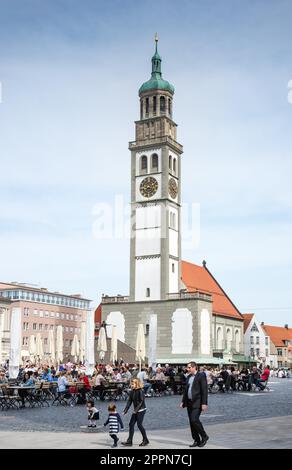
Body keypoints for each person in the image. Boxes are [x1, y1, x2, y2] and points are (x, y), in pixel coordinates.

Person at [180, 362, 209, 448]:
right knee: (191, 422)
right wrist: (183, 401)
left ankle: (204, 436)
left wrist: (204, 403)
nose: (187, 369)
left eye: (189, 367)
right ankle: (196, 440)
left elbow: (204, 390)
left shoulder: (201, 376)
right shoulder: (188, 377)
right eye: (187, 368)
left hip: (198, 402)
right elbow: (186, 390)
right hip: (189, 402)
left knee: (194, 420)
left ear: (194, 367)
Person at [122, 378, 149, 447]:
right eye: (131, 384)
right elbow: (129, 401)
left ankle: (145, 440)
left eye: (132, 384)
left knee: (139, 425)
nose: (131, 385)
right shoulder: (132, 391)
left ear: (137, 384)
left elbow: (141, 401)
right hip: (136, 411)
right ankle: (129, 441)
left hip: (141, 410)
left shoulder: (140, 391)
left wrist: (136, 410)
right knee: (131, 424)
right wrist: (125, 410)